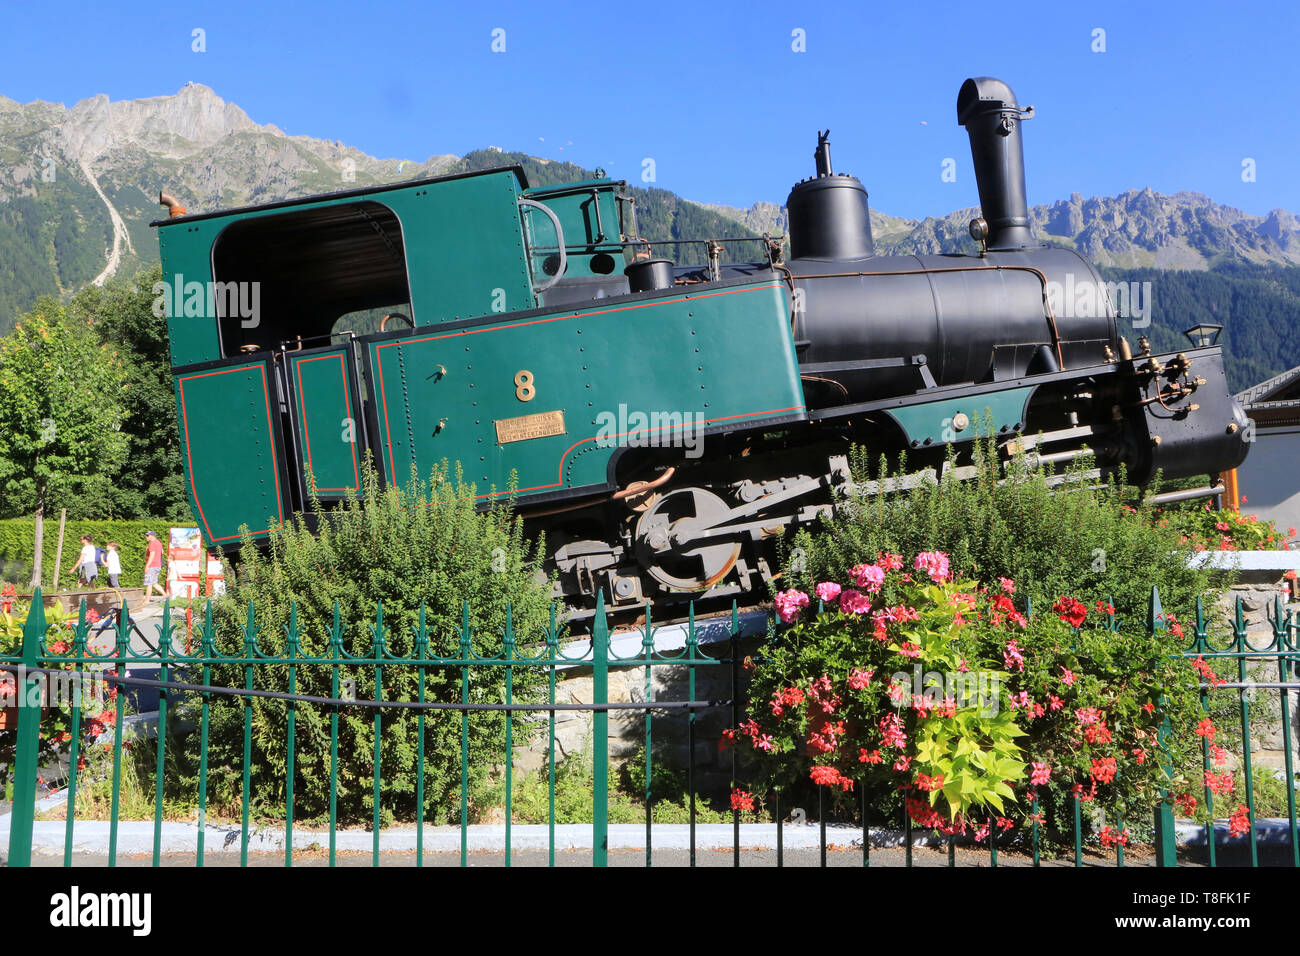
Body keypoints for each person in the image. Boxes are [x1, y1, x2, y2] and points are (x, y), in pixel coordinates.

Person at [143, 530, 165, 601]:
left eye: (148, 535)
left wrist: (147, 566)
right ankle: (165, 595)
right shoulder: (159, 543)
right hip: (158, 565)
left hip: (152, 566)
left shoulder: (152, 544)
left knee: (149, 583)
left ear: (152, 536)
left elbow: (152, 556)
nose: (146, 537)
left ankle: (147, 600)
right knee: (154, 583)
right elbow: (162, 552)